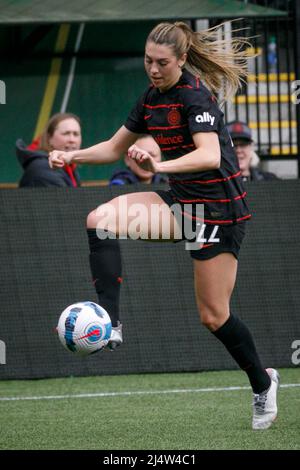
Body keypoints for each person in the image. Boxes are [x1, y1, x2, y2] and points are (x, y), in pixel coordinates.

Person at [49, 21, 279, 430]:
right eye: (147, 61)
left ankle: (263, 382)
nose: (153, 70)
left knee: (213, 317)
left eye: (162, 63)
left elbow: (209, 155)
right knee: (100, 220)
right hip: (182, 203)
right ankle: (111, 323)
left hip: (216, 212)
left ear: (182, 60)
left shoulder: (195, 96)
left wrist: (160, 165)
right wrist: (72, 157)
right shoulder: (151, 98)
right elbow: (113, 148)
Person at [17, 112, 82, 187]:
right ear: (49, 138)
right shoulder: (43, 169)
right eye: (66, 133)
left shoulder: (68, 167)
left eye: (76, 134)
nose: (72, 140)